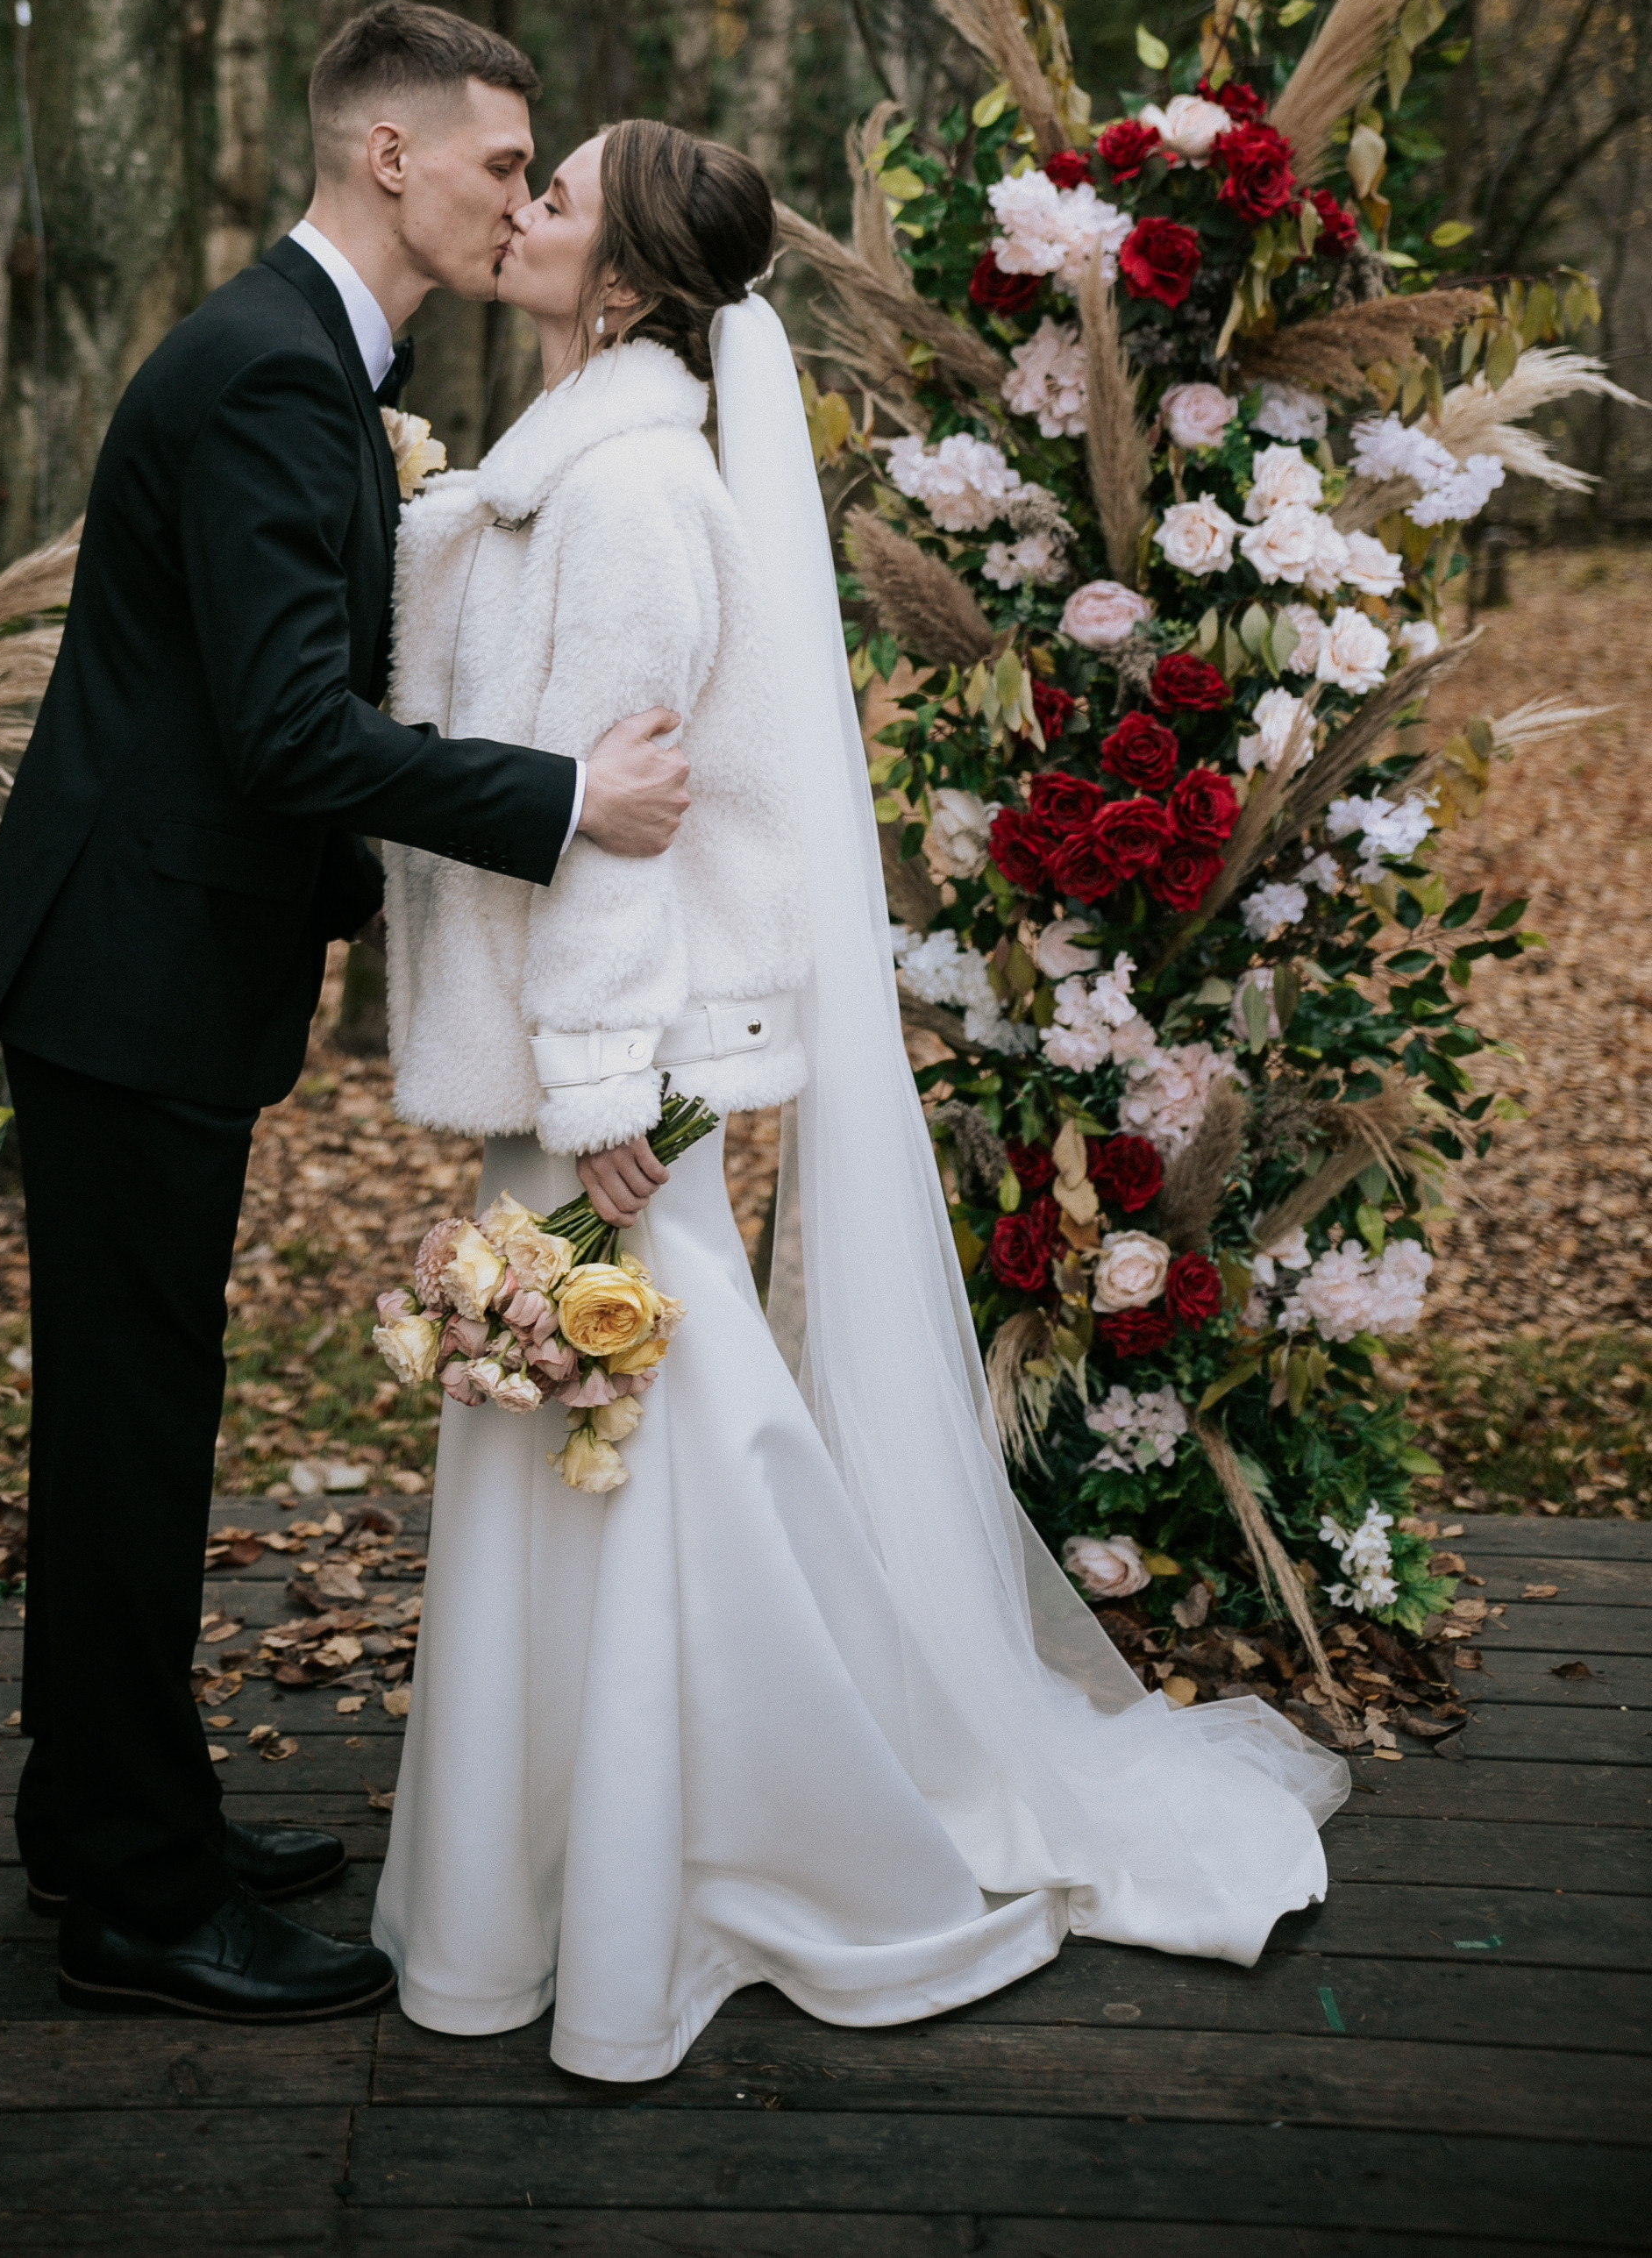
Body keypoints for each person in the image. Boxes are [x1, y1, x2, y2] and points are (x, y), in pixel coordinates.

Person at [372, 116, 1349, 2083]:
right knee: (589, 1464)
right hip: (584, 1065)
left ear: (631, 280)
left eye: (557, 195)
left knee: (640, 1456)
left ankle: (732, 1867)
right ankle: (563, 1874)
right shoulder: (560, 478)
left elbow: (617, 832)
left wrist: (594, 1081)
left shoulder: (637, 494)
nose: (526, 210)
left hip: (610, 1068)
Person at [0, 5, 694, 2024]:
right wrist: (562, 802)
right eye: (490, 163)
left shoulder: (288, 362)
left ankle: (115, 1818)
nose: (511, 198)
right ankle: (131, 1892)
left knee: (131, 1414)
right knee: (128, 1428)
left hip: (133, 966)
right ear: (386, 152)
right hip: (127, 980)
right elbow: (289, 736)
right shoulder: (277, 378)